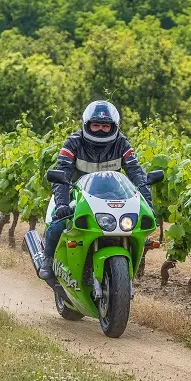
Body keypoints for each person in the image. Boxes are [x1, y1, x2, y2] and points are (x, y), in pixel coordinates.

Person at [38, 100, 153, 280]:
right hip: (77, 194)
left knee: (133, 228)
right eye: (96, 125)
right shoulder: (73, 143)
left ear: (113, 127)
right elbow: (63, 173)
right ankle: (48, 259)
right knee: (58, 223)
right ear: (87, 125)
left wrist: (148, 204)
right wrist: (62, 204)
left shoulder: (122, 144)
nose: (100, 129)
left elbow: (137, 173)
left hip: (113, 195)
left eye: (105, 126)